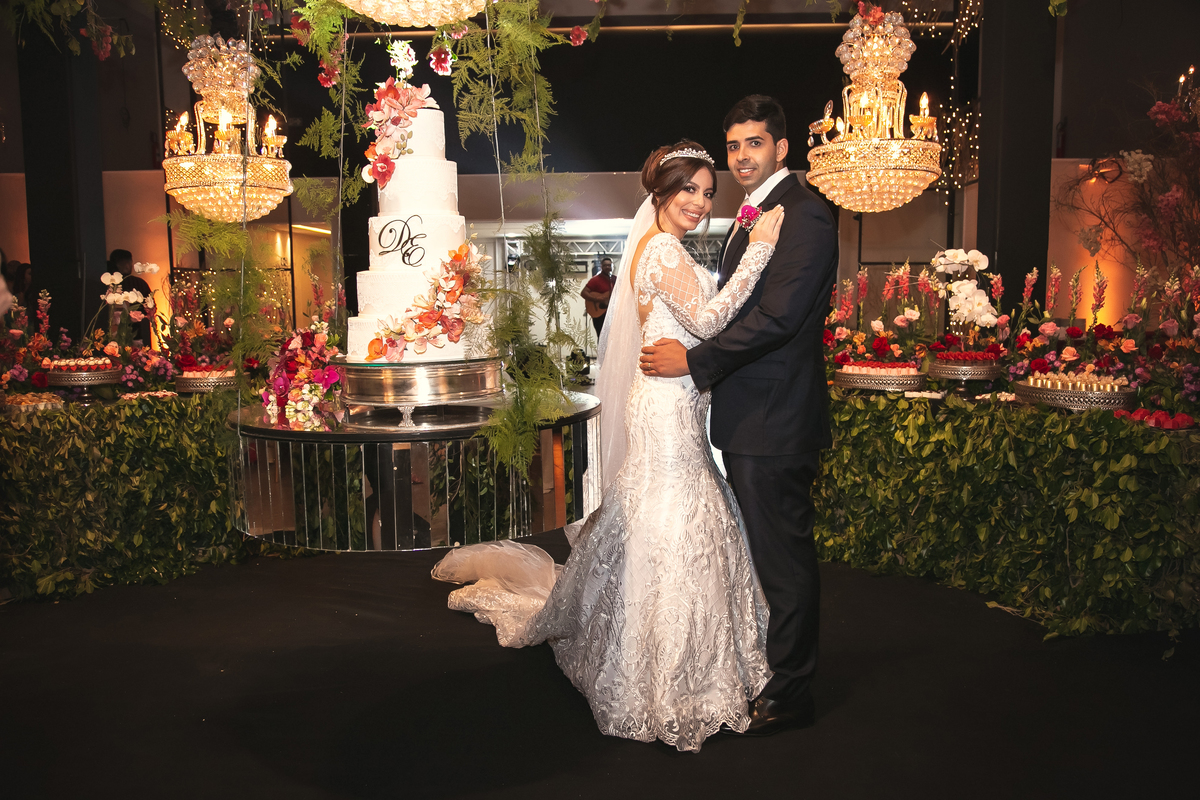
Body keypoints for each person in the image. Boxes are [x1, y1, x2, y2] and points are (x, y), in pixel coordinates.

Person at [433, 141, 784, 752]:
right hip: (667, 407)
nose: (701, 202)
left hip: (673, 400)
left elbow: (694, 324)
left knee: (664, 510)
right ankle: (661, 673)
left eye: (708, 192)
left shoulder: (657, 247)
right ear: (661, 192)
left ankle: (653, 648)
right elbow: (708, 321)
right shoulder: (664, 250)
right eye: (689, 189)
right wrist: (759, 251)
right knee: (673, 517)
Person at [638, 96, 839, 736]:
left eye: (755, 143)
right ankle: (768, 666)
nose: (743, 156)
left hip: (777, 417)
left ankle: (792, 690)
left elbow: (778, 318)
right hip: (746, 415)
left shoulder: (805, 215)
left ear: (782, 148)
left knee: (783, 557)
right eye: (734, 145)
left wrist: (695, 363)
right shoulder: (749, 217)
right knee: (765, 552)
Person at [109, 249, 153, 346]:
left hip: (117, 337)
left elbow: (150, 308)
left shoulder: (108, 284)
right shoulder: (139, 284)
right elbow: (150, 309)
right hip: (136, 335)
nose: (128, 266)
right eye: (127, 263)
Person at [580, 257, 615, 339]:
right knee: (602, 337)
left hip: (612, 313)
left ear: (612, 266)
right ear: (601, 266)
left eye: (609, 265)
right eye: (605, 265)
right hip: (599, 314)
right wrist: (597, 299)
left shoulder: (615, 279)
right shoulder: (595, 280)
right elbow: (584, 293)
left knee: (612, 337)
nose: (607, 267)